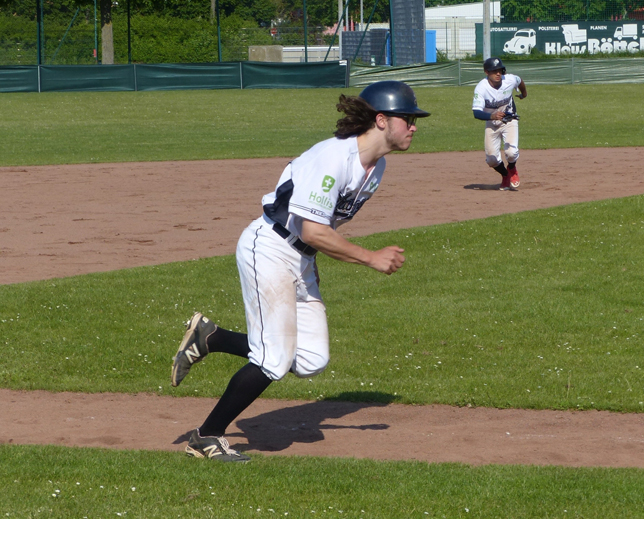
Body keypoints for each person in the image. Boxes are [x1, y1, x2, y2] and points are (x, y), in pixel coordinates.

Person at [169, 81, 430, 462]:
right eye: (407, 118)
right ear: (381, 120)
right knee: (273, 359)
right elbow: (310, 229)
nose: (414, 126)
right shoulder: (332, 159)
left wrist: (312, 261)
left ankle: (213, 338)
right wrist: (370, 257)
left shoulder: (376, 168)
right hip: (271, 248)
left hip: (302, 257)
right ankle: (206, 436)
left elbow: (324, 227)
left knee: (310, 359)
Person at [472, 57, 527, 191]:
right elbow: (476, 113)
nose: (498, 74)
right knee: (491, 159)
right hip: (491, 122)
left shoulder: (509, 79)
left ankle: (512, 169)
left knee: (511, 153)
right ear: (486, 72)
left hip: (509, 119)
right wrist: (492, 116)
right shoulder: (481, 88)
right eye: (494, 71)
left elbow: (519, 81)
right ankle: (505, 174)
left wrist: (524, 94)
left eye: (500, 70)